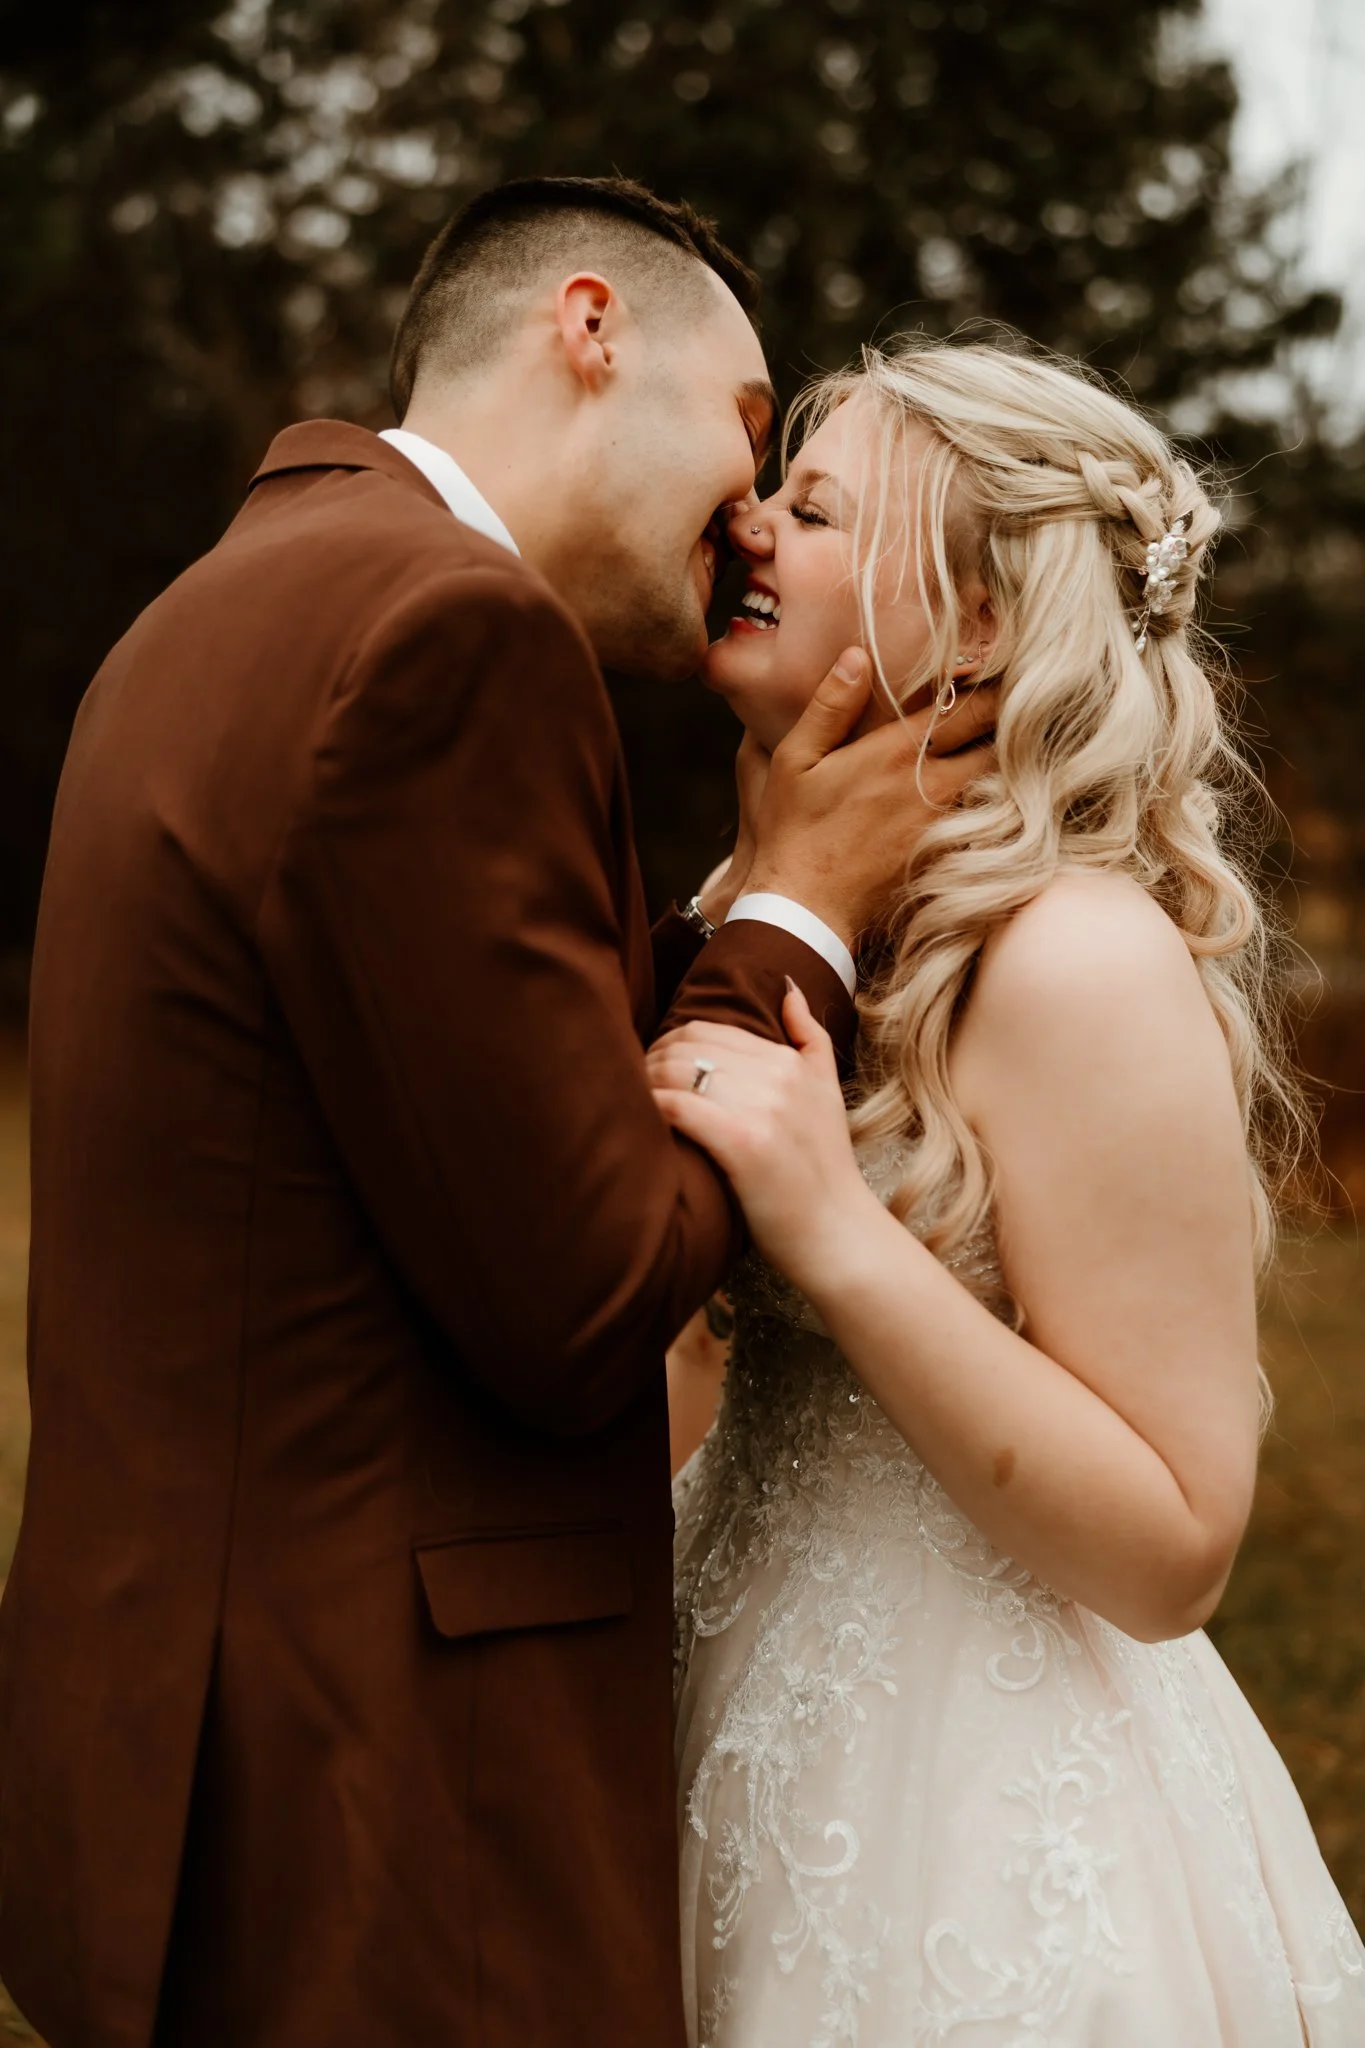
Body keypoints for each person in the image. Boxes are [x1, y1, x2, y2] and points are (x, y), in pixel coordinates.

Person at [0, 182, 995, 2048]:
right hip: (393, 1808)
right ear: (591, 328)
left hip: (197, 1751)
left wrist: (720, 922)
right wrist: (801, 908)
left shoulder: (220, 608)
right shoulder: (452, 633)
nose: (753, 515)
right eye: (751, 428)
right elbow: (583, 1291)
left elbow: (439, 1079)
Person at [653, 336, 1365, 2046]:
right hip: (719, 1702)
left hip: (971, 1815)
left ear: (978, 624)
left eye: (816, 508)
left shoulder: (1075, 959)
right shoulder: (754, 907)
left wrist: (834, 1231)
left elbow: (1176, 1548)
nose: (747, 525)